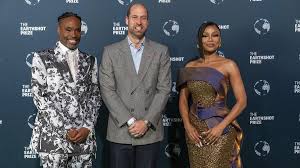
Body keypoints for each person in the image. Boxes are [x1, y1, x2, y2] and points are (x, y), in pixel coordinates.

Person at [99, 3, 171, 168]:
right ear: (126, 20)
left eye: (143, 18)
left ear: (148, 22)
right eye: (135, 17)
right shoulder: (110, 52)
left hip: (149, 132)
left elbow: (164, 90)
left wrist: (145, 122)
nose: (139, 22)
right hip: (121, 131)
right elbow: (107, 91)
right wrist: (131, 121)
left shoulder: (161, 51)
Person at [29, 12, 101, 168]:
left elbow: (95, 96)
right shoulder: (42, 58)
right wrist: (65, 129)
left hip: (84, 140)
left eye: (77, 30)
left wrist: (87, 127)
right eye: (68, 29)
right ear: (58, 30)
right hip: (53, 141)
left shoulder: (90, 61)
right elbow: (40, 97)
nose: (73, 34)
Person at [177, 21, 247, 168]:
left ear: (220, 41)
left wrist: (220, 127)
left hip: (219, 132)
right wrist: (187, 126)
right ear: (199, 40)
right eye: (205, 36)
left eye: (215, 35)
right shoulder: (190, 67)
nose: (210, 39)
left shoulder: (229, 65)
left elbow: (242, 102)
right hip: (194, 134)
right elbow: (183, 99)